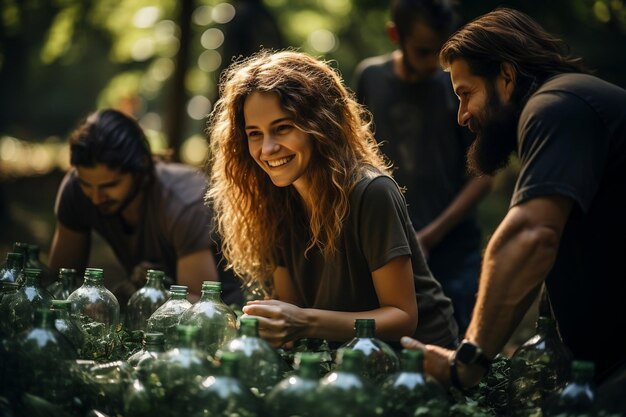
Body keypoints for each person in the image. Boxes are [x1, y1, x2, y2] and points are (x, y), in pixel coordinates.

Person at [400, 7, 626, 391]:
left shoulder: (557, 106)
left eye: (465, 93)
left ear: (506, 76)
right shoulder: (570, 103)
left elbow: (530, 236)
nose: (462, 115)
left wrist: (468, 360)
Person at [206, 49, 459, 349]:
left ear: (321, 125)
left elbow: (402, 317)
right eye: (254, 134)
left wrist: (304, 322)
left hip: (415, 364)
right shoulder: (273, 201)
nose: (267, 148)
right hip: (337, 362)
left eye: (282, 128)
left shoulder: (371, 192)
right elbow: (292, 312)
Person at [353, 0, 493, 335]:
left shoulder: (457, 85)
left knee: (455, 341)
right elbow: (355, 155)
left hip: (453, 248)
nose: (435, 63)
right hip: (385, 247)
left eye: (442, 51)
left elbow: (484, 175)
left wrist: (428, 237)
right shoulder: (371, 77)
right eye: (424, 51)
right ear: (394, 35)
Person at [48, 109, 243, 307]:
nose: (96, 198)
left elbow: (201, 304)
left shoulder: (182, 203)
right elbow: (62, 281)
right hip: (150, 311)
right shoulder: (76, 190)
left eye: (110, 186)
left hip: (225, 313)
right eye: (87, 185)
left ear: (140, 167)